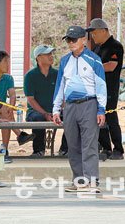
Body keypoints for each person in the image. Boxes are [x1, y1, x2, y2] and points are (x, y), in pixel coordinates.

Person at [53, 25, 106, 193]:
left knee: (89, 144)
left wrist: (101, 109)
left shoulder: (94, 59)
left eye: (74, 39)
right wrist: (56, 109)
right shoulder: (64, 61)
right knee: (73, 145)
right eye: (68, 39)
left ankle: (92, 182)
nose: (70, 43)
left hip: (89, 105)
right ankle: (79, 181)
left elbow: (101, 86)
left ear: (84, 40)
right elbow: (60, 85)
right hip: (69, 107)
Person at [87, 18, 125, 160]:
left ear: (103, 31)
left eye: (94, 33)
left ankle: (118, 149)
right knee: (98, 118)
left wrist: (91, 70)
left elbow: (111, 66)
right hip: (95, 89)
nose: (93, 36)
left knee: (110, 117)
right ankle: (106, 147)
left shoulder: (115, 46)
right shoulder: (96, 48)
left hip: (109, 89)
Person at [0, 50, 34, 163]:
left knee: (6, 111)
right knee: (4, 110)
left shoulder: (8, 78)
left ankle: (4, 148)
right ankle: (18, 136)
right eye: (5, 61)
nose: (8, 64)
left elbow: (12, 95)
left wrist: (11, 107)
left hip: (1, 108)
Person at [24, 44, 61, 158]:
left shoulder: (57, 74)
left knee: (71, 116)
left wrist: (57, 111)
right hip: (35, 111)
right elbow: (30, 99)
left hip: (55, 110)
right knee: (37, 118)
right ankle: (38, 150)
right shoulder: (30, 75)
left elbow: (62, 95)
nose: (51, 56)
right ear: (38, 58)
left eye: (51, 54)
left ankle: (65, 149)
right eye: (47, 54)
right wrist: (44, 113)